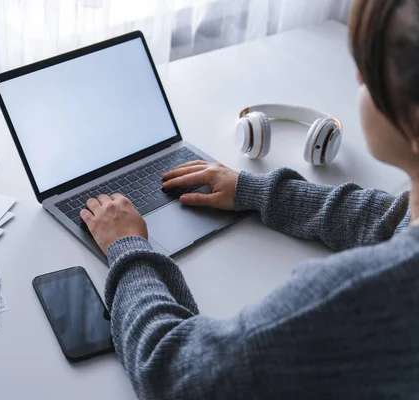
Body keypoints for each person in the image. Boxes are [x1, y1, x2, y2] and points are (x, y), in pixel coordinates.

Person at [78, 0, 419, 398]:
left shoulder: (347, 298)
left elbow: (173, 373)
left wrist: (127, 248)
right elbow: (389, 219)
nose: (358, 76)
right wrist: (254, 189)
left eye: (370, 75)